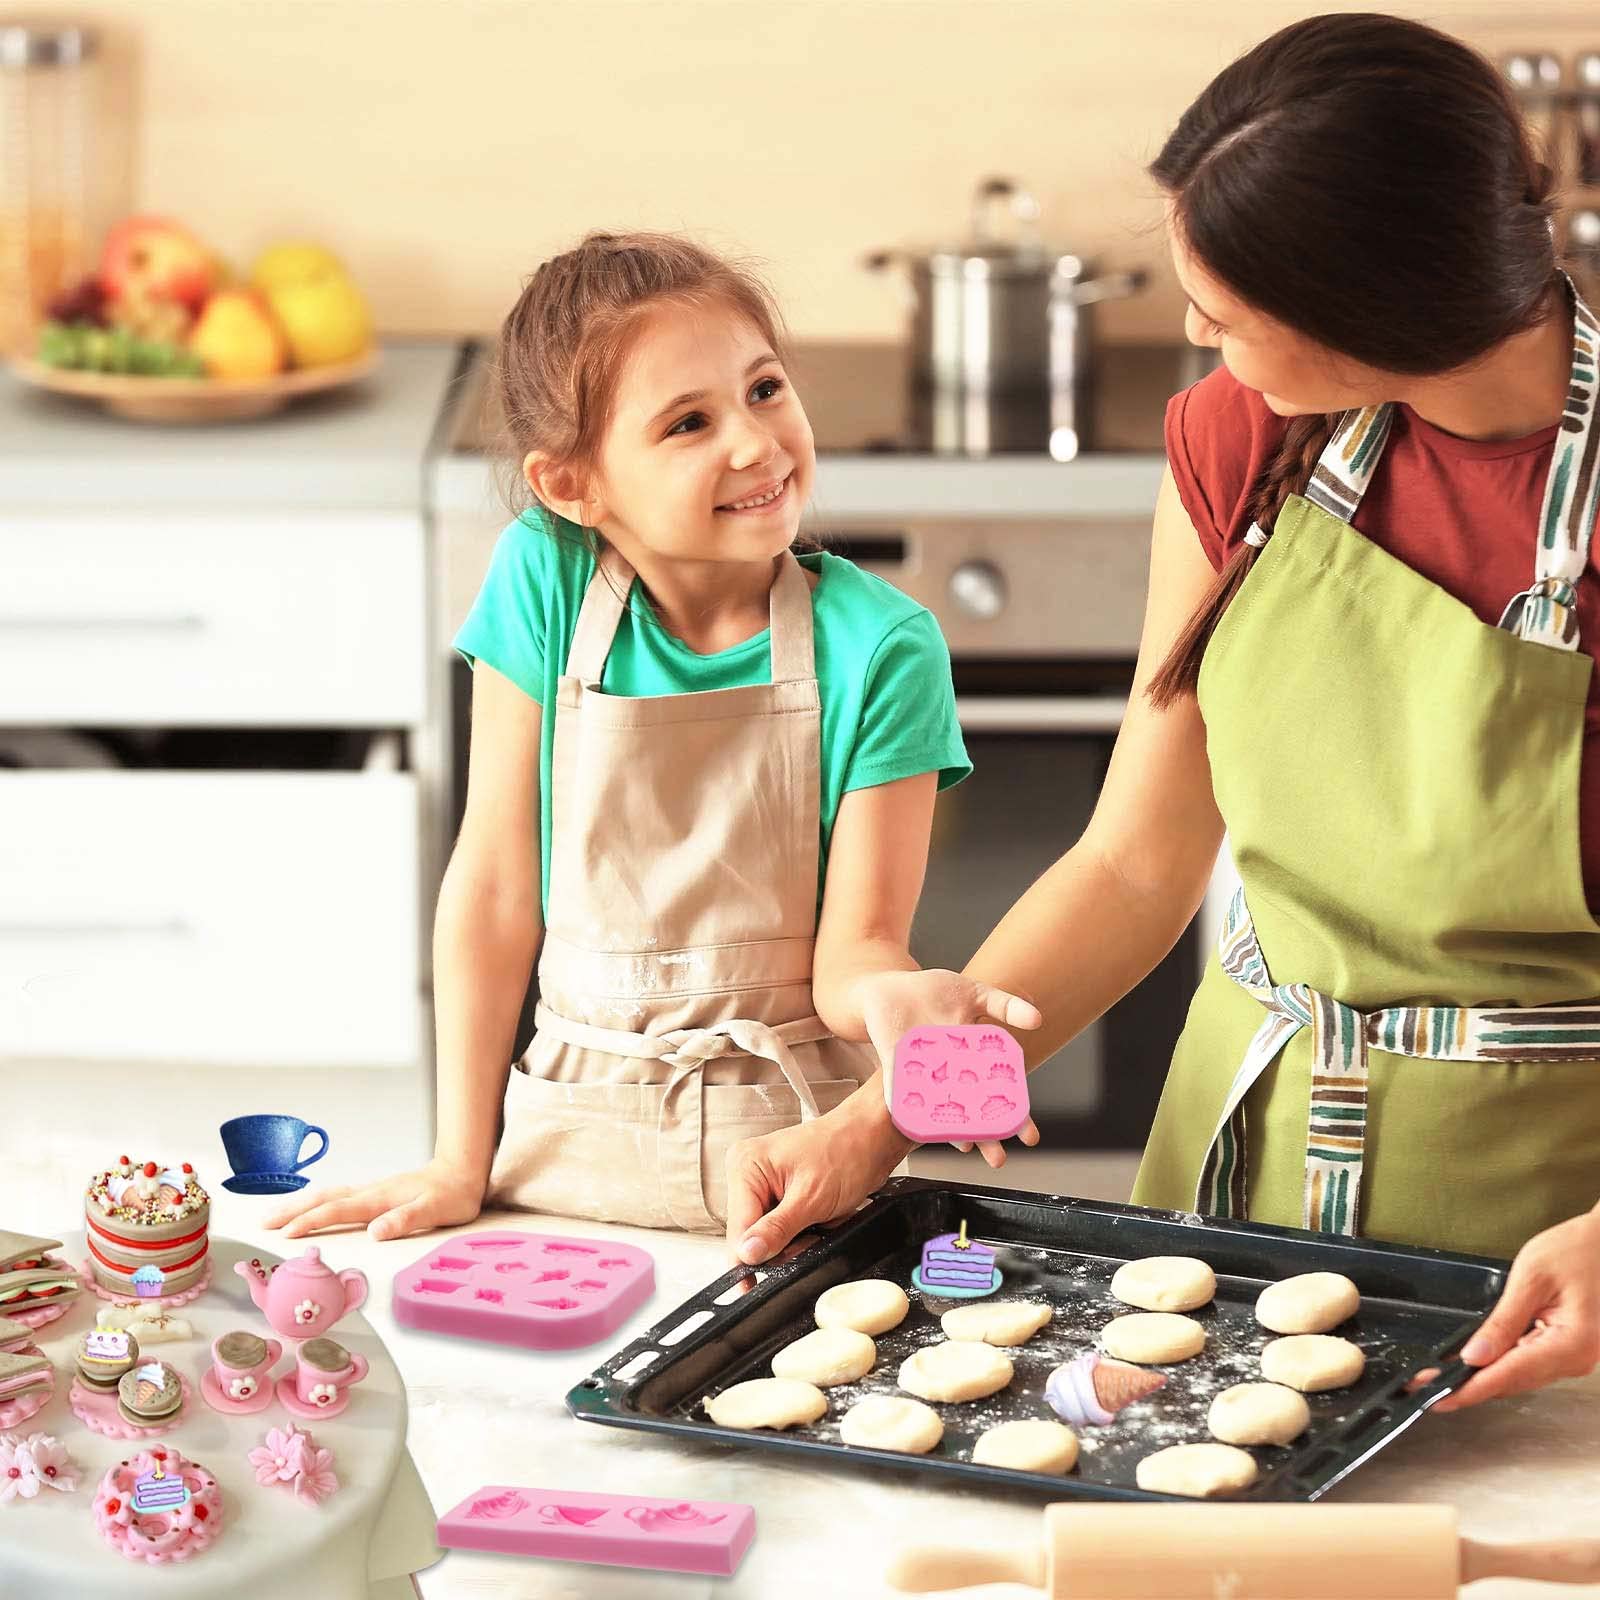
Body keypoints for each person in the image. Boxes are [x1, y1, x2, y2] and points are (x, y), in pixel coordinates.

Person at [735, 13, 1600, 1411]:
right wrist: (889, 1119)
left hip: (1552, 1254)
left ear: (1373, 307)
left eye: (1230, 306)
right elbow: (1135, 864)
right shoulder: (1241, 441)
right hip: (1238, 1177)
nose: (1196, 333)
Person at [264, 231, 1036, 1245]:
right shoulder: (546, 577)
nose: (756, 443)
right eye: (688, 423)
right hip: (552, 1170)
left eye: (764, 389)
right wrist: (459, 1159)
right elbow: (496, 885)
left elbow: (854, 953)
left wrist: (901, 998)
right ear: (574, 487)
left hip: (782, 1187)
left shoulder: (884, 647)